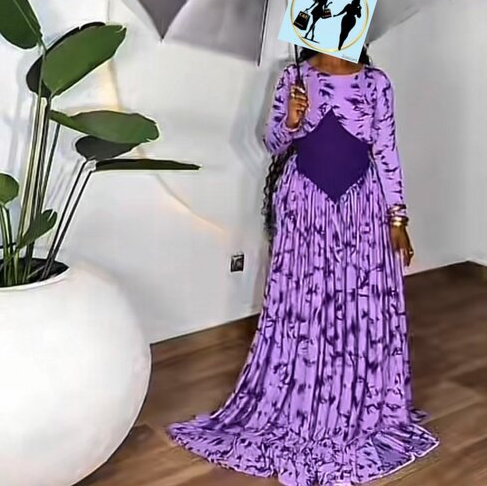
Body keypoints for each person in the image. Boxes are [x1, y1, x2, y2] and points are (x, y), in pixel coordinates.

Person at [168, 47, 439, 485]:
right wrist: (292, 120)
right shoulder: (293, 77)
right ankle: (303, 396)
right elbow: (273, 142)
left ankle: (358, 400)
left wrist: (398, 219)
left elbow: (387, 151)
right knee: (306, 306)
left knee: (357, 305)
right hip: (304, 207)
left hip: (361, 209)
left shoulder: (376, 83)